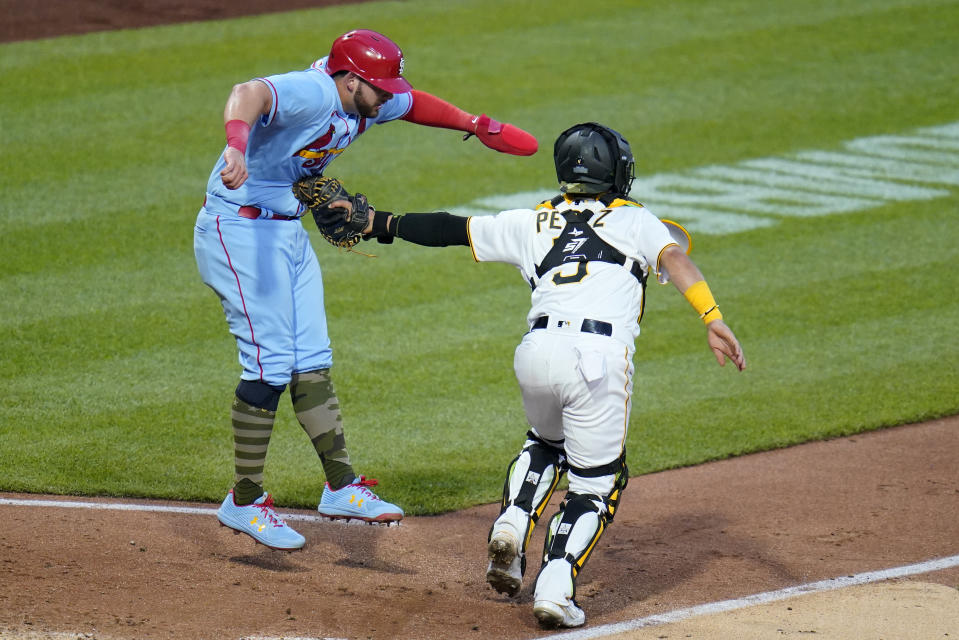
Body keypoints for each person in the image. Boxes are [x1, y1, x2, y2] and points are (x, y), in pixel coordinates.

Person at [358, 122, 746, 626]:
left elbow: (453, 229)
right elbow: (675, 257)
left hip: (535, 351)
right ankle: (556, 586)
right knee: (597, 484)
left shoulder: (532, 221)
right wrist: (712, 318)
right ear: (618, 171)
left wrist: (381, 222)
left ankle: (514, 521)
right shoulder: (637, 221)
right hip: (596, 360)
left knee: (546, 442)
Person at [193, 28, 538, 551]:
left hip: (285, 226)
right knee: (266, 365)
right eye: (378, 87)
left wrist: (474, 124)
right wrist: (237, 146)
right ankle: (243, 500)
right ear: (349, 79)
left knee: (311, 359)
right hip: (237, 230)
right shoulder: (314, 92)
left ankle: (340, 487)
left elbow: (413, 102)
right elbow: (248, 93)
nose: (388, 96)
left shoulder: (370, 97)